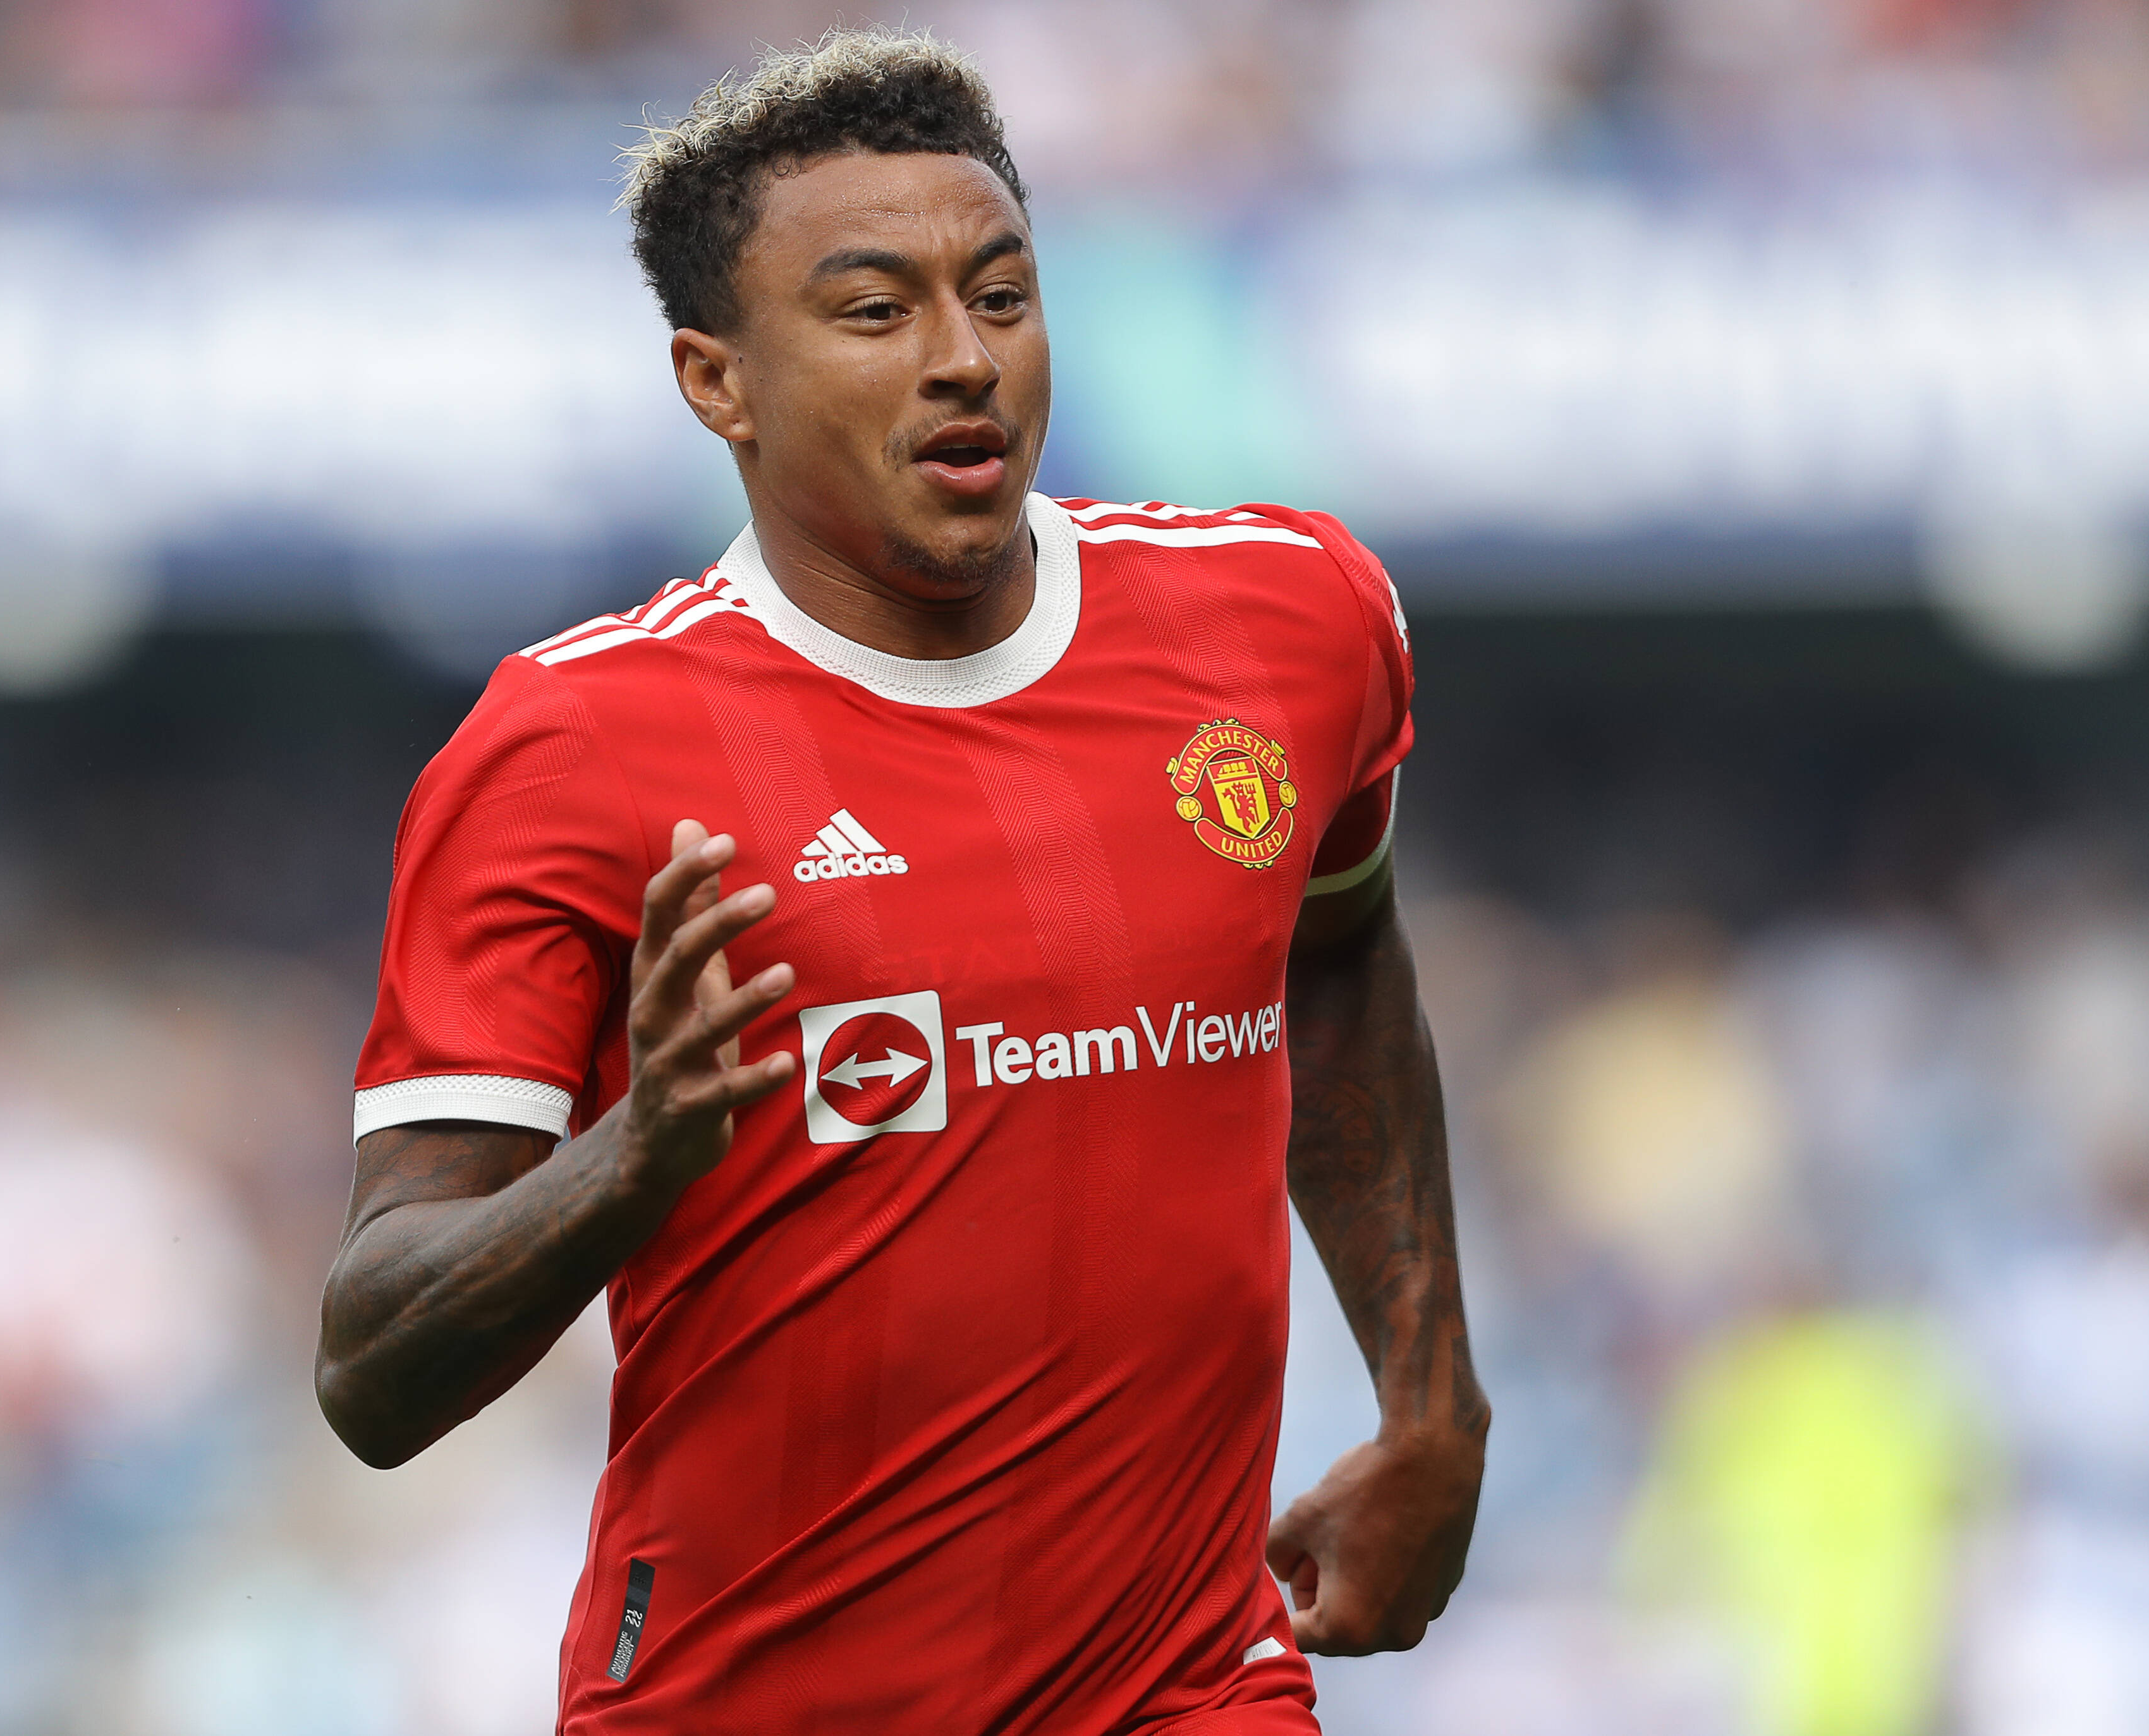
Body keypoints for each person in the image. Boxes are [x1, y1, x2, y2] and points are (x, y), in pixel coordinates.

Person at [315, 27, 1487, 1734]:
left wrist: (1429, 1402)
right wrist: (630, 1166)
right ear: (716, 381)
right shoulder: (569, 748)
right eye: (875, 313)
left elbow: (1338, 958)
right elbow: (370, 1369)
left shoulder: (1288, 622)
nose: (963, 360)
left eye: (1001, 297)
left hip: (1185, 1683)